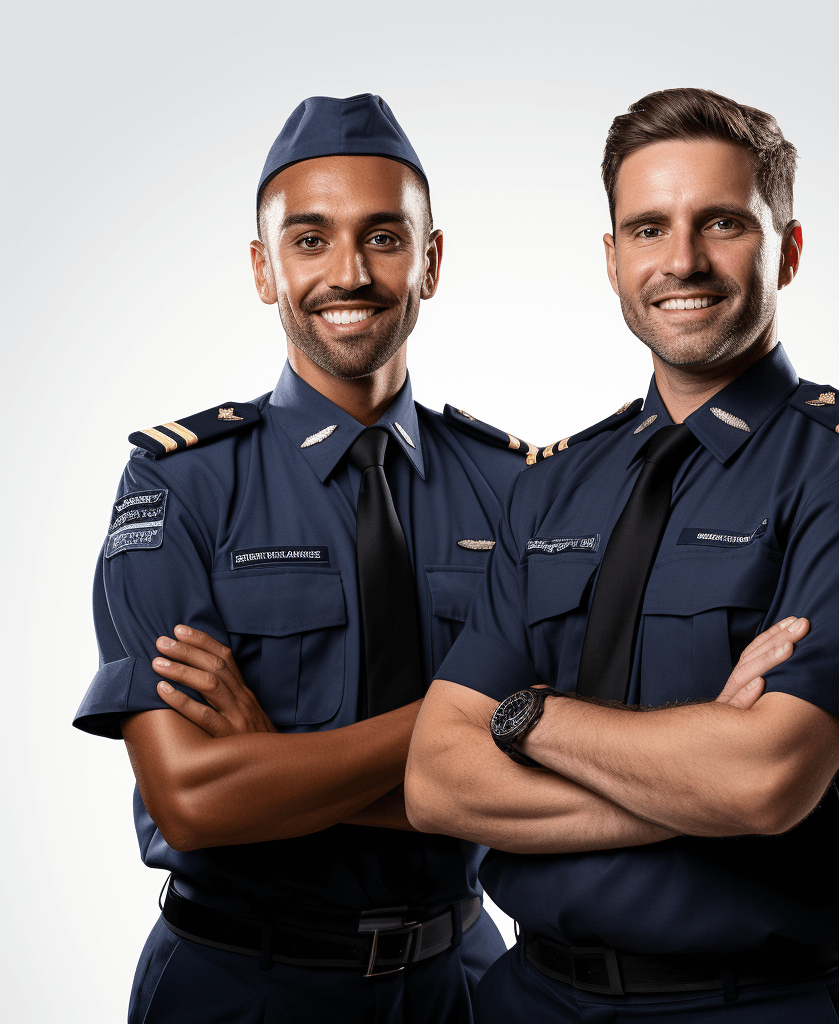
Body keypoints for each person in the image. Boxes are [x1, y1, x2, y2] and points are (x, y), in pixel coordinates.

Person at [405, 87, 839, 1023]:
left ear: (791, 248)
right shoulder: (553, 485)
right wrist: (697, 784)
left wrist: (526, 719)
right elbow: (436, 778)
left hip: (752, 1004)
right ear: (613, 260)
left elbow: (764, 778)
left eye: (724, 222)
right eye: (649, 228)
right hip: (525, 998)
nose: (683, 259)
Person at [73, 93, 537, 1024]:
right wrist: (484, 726)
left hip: (467, 987)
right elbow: (193, 800)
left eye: (384, 238)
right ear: (263, 267)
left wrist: (272, 761)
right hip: (239, 984)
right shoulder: (178, 487)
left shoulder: (518, 490)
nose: (350, 273)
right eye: (311, 240)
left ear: (432, 262)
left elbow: (557, 787)